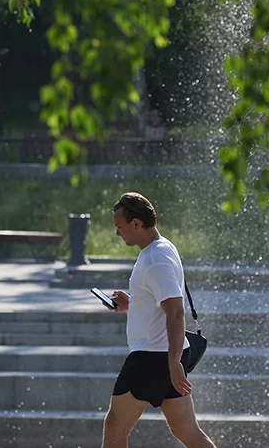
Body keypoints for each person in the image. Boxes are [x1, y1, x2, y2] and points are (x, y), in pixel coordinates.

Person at [101, 192, 216, 448]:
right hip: (164, 355)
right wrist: (132, 304)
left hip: (152, 358)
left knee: (115, 428)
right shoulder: (161, 247)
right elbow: (163, 300)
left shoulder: (156, 259)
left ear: (136, 224)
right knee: (186, 431)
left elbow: (175, 311)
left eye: (119, 227)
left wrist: (173, 362)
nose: (117, 233)